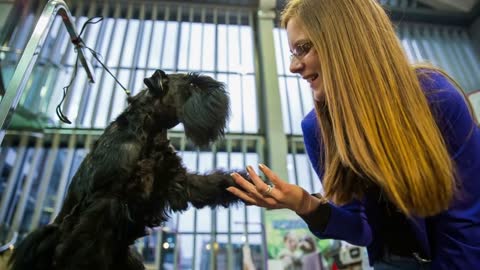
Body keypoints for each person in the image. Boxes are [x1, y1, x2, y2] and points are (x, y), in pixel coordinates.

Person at [226, 0, 480, 269]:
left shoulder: (435, 97)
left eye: (303, 48)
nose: (293, 66)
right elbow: (362, 230)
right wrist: (305, 204)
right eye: (292, 53)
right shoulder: (317, 129)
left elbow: (467, 221)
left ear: (344, 41)